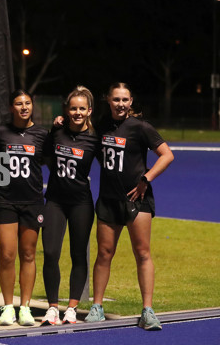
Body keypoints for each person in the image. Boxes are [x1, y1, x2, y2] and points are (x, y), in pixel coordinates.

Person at [84, 83, 173, 330]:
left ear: (131, 101)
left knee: (142, 253)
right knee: (104, 254)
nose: (121, 104)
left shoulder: (141, 127)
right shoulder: (100, 126)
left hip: (137, 200)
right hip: (108, 200)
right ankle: (97, 307)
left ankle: (148, 310)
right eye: (116, 99)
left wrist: (146, 178)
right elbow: (77, 127)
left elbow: (167, 155)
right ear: (108, 101)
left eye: (125, 99)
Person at [41, 86, 100, 326]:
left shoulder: (95, 138)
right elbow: (44, 156)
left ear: (89, 111)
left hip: (81, 203)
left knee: (78, 255)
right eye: (73, 108)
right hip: (54, 200)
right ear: (67, 110)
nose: (77, 112)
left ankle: (72, 309)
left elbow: (112, 164)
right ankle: (53, 308)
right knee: (51, 253)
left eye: (81, 109)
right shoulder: (56, 132)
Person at [0, 89, 47, 326]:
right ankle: (8, 307)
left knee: (28, 254)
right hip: (5, 201)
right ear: (10, 107)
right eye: (18, 103)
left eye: (27, 103)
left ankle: (25, 307)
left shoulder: (42, 134)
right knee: (6, 255)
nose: (24, 107)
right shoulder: (0, 132)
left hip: (32, 201)